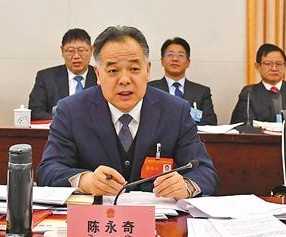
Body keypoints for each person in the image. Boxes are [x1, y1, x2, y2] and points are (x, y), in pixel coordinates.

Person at [37, 25, 219, 199]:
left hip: (157, 216)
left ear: (147, 70)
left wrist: (186, 185)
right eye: (113, 70)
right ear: (98, 74)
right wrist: (86, 181)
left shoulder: (176, 111)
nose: (124, 79)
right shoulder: (71, 111)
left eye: (134, 69)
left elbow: (205, 171)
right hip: (96, 216)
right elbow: (48, 170)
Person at [230, 44, 286, 124]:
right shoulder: (249, 94)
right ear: (257, 66)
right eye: (268, 64)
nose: (274, 68)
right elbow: (243, 126)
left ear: (285, 66)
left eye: (279, 64)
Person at [28, 28, 97, 121]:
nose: (76, 56)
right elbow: (35, 111)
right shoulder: (46, 77)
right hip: (58, 128)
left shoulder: (100, 77)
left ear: (91, 50)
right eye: (70, 51)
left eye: (81, 50)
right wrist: (63, 123)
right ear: (62, 51)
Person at [148, 37, 217, 125]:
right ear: (162, 61)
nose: (175, 59)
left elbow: (210, 123)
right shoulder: (149, 89)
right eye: (170, 54)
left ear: (188, 62)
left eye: (180, 55)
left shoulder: (202, 92)